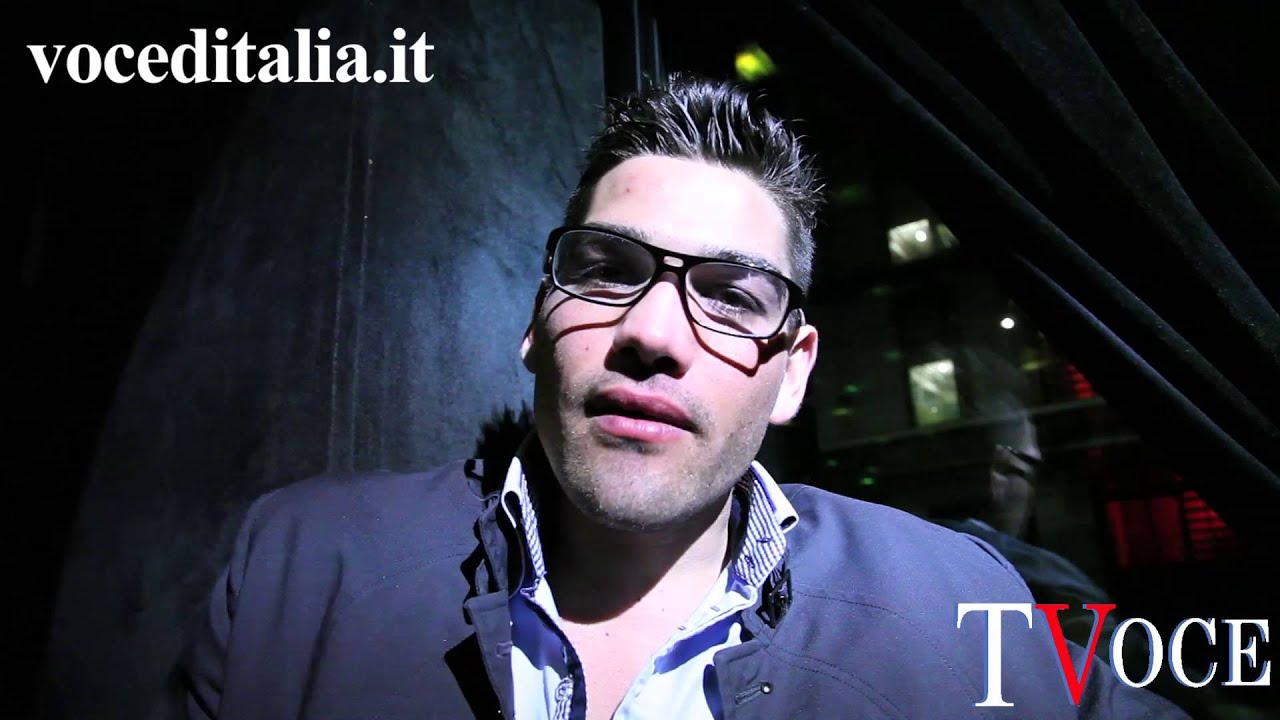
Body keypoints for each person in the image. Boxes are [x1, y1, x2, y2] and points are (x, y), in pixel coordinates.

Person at [179, 74, 1191, 719]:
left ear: (793, 370)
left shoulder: (954, 608)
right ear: (536, 321)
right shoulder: (295, 573)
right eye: (607, 270)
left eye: (731, 296)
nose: (653, 335)